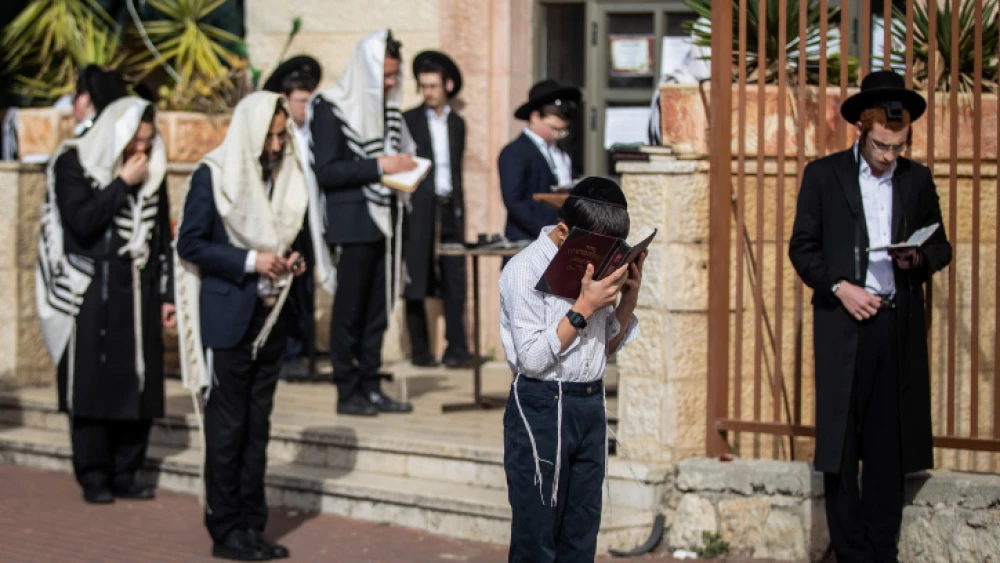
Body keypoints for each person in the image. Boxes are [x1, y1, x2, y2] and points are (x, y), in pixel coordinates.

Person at [788, 70, 952, 562]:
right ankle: (850, 551)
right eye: (882, 145)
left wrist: (915, 259)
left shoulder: (916, 178)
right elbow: (802, 249)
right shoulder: (824, 175)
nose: (889, 156)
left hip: (895, 326)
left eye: (898, 147)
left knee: (889, 446)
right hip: (843, 325)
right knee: (841, 445)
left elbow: (940, 246)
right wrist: (842, 288)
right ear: (862, 129)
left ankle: (882, 550)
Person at [175, 92, 309, 561]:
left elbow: (294, 235)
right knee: (228, 429)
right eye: (269, 136)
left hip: (271, 320)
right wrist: (253, 260)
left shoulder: (288, 174)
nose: (276, 145)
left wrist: (292, 262)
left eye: (281, 135)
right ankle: (225, 528)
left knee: (258, 428)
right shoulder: (212, 175)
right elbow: (189, 243)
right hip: (229, 318)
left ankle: (253, 525)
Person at [35, 95, 173, 504]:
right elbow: (80, 223)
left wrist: (165, 294)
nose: (141, 150)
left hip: (137, 291)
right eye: (134, 141)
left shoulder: (152, 170)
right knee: (92, 386)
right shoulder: (74, 163)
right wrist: (121, 185)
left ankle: (127, 471)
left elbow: (160, 234)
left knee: (139, 381)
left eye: (148, 141)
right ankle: (93, 474)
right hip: (91, 292)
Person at [499, 177, 643, 561]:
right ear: (565, 231)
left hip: (589, 405)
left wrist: (628, 297)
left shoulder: (596, 269)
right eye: (596, 245)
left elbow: (604, 349)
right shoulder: (524, 269)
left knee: (580, 536)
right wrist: (584, 306)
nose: (603, 255)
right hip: (542, 404)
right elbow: (531, 359)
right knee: (537, 538)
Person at [306, 29, 415, 416]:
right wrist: (380, 166)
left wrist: (405, 167)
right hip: (352, 222)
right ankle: (346, 390)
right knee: (349, 312)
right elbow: (328, 171)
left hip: (386, 221)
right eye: (385, 76)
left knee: (378, 311)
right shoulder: (330, 107)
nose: (391, 83)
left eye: (394, 76)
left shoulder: (387, 112)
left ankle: (371, 385)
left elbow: (399, 152)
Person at [401, 50, 476, 369]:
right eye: (423, 86)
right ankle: (420, 351)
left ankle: (456, 348)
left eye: (432, 85)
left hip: (449, 209)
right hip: (420, 209)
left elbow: (455, 169)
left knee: (454, 278)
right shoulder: (409, 120)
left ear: (447, 85)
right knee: (415, 276)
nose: (427, 92)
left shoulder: (457, 123)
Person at [264, 55, 323, 380]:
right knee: (287, 289)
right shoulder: (279, 134)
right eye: (302, 101)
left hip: (311, 221)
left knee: (306, 289)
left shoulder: (313, 132)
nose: (307, 107)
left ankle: (302, 348)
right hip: (287, 223)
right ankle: (287, 352)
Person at [498, 79, 581, 243]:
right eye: (554, 128)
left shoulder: (562, 154)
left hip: (560, 240)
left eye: (563, 131)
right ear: (535, 117)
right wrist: (546, 232)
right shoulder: (515, 152)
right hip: (528, 241)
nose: (558, 135)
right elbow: (515, 201)